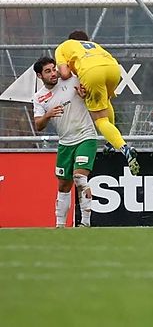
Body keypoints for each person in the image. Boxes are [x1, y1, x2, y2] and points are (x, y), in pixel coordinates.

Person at [54, 30, 138, 174]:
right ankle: (110, 143)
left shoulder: (63, 46)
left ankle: (124, 148)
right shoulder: (92, 45)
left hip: (92, 72)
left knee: (100, 120)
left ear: (70, 40)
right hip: (114, 69)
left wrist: (60, 72)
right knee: (105, 101)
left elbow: (65, 73)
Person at [32, 56, 99, 227]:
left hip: (86, 136)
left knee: (80, 178)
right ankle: (60, 226)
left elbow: (96, 98)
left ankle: (85, 223)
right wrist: (48, 114)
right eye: (48, 71)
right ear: (40, 76)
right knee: (63, 186)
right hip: (65, 143)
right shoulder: (39, 98)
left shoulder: (72, 80)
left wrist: (86, 96)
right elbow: (38, 125)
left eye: (54, 69)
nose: (53, 73)